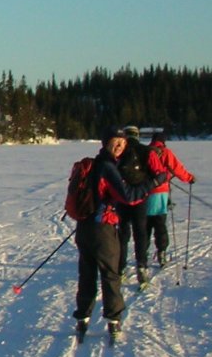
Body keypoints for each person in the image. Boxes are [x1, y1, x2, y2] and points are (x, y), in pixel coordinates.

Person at [72, 126, 159, 342]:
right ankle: (113, 318)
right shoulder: (107, 167)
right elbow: (128, 196)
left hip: (84, 228)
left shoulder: (92, 164)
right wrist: (154, 182)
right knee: (110, 274)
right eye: (115, 141)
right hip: (102, 230)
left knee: (87, 273)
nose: (120, 145)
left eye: (122, 142)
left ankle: (82, 316)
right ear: (106, 143)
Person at [114, 125, 159, 287]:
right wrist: (146, 187)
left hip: (122, 199)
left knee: (123, 233)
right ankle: (141, 266)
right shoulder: (147, 151)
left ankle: (120, 268)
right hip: (141, 199)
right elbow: (160, 174)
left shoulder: (119, 151)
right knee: (140, 233)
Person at [144, 131, 195, 267]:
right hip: (160, 193)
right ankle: (161, 253)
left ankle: (142, 255)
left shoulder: (145, 151)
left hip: (144, 193)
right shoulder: (165, 152)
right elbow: (177, 169)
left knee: (145, 226)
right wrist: (189, 178)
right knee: (160, 224)